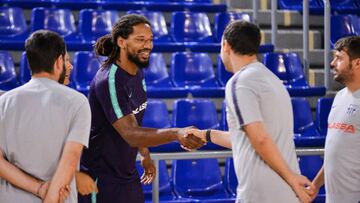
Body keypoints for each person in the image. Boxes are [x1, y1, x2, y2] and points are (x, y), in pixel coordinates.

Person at [78, 14, 204, 203]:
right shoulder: (110, 80)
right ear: (121, 42)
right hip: (102, 180)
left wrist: (144, 154)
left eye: (150, 40)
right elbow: (131, 133)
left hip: (127, 175)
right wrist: (176, 133)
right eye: (140, 40)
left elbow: (133, 121)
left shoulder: (137, 72)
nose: (148, 45)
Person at [186, 20, 314, 203]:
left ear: (226, 45)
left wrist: (292, 178)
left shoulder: (239, 82)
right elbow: (246, 139)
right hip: (286, 192)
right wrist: (205, 135)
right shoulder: (273, 80)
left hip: (261, 193)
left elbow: (259, 138)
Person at [0, 30, 91, 203]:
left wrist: (39, 188)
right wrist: (49, 197)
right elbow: (69, 162)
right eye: (66, 60)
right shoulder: (77, 102)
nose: (69, 66)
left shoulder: (4, 102)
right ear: (58, 62)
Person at [311, 36, 360, 203]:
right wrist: (316, 185)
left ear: (357, 63)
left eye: (339, 58)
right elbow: (336, 153)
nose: (332, 63)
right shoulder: (339, 97)